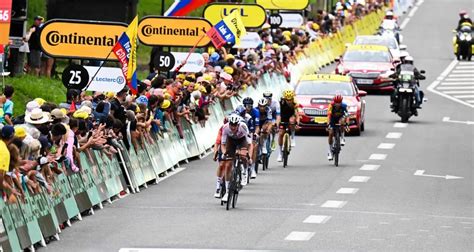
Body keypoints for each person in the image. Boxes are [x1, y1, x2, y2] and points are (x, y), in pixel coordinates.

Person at [220, 114, 251, 202]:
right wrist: (224, 153)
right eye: (231, 125)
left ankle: (244, 172)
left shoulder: (243, 127)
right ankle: (226, 191)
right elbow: (223, 144)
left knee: (243, 155)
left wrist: (246, 152)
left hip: (242, 140)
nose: (233, 127)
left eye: (235, 125)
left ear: (238, 124)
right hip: (231, 141)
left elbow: (248, 142)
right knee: (228, 164)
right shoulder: (225, 128)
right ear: (229, 124)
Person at [278, 90, 300, 162]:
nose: (289, 101)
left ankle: (293, 137)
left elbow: (297, 115)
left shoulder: (295, 103)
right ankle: (280, 153)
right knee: (281, 134)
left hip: (291, 117)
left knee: (292, 121)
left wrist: (297, 123)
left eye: (290, 99)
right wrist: (277, 124)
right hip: (283, 118)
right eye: (287, 99)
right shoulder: (281, 102)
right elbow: (278, 114)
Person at [326, 94, 348, 161]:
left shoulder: (344, 106)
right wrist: (328, 124)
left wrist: (346, 124)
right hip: (332, 119)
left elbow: (347, 116)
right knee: (330, 133)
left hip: (340, 118)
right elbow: (329, 116)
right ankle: (330, 151)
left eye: (339, 103)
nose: (337, 104)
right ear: (334, 102)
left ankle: (342, 138)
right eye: (336, 103)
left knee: (342, 122)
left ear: (341, 102)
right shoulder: (331, 106)